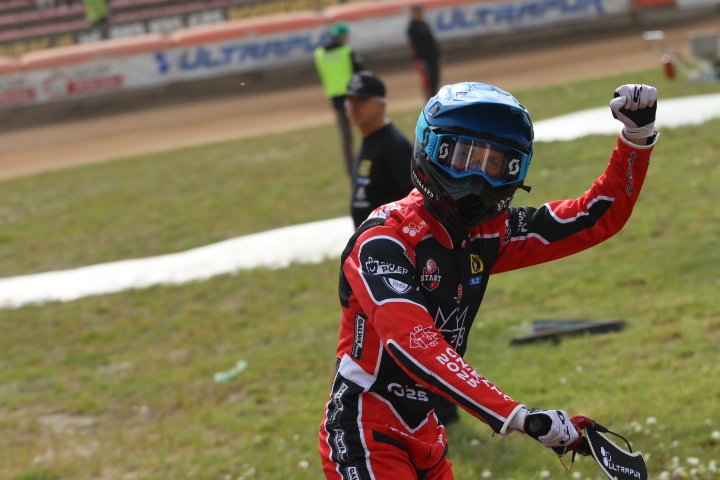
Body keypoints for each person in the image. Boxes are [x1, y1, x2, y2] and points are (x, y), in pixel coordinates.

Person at [318, 82, 658, 479]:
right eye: (463, 157)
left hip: (425, 432)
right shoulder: (383, 241)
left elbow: (594, 217)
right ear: (432, 149)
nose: (477, 178)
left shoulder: (488, 233)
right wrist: (519, 416)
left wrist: (637, 138)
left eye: (494, 163)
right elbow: (416, 346)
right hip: (364, 430)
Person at [345, 71, 414, 229]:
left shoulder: (394, 146)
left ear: (381, 105)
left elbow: (415, 201)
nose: (353, 107)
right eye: (350, 100)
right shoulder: (369, 139)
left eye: (361, 100)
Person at [314, 22, 365, 175]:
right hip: (352, 96)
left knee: (345, 135)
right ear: (343, 36)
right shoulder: (346, 51)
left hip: (335, 97)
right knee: (366, 129)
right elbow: (360, 73)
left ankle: (350, 167)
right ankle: (368, 161)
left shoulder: (319, 54)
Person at [407, 4, 441, 101]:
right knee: (428, 81)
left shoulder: (425, 24)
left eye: (420, 12)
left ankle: (435, 98)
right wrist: (418, 60)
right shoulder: (412, 28)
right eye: (417, 12)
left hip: (433, 57)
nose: (419, 14)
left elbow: (432, 41)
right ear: (413, 14)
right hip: (424, 59)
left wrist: (438, 53)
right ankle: (430, 101)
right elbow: (414, 46)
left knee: (435, 78)